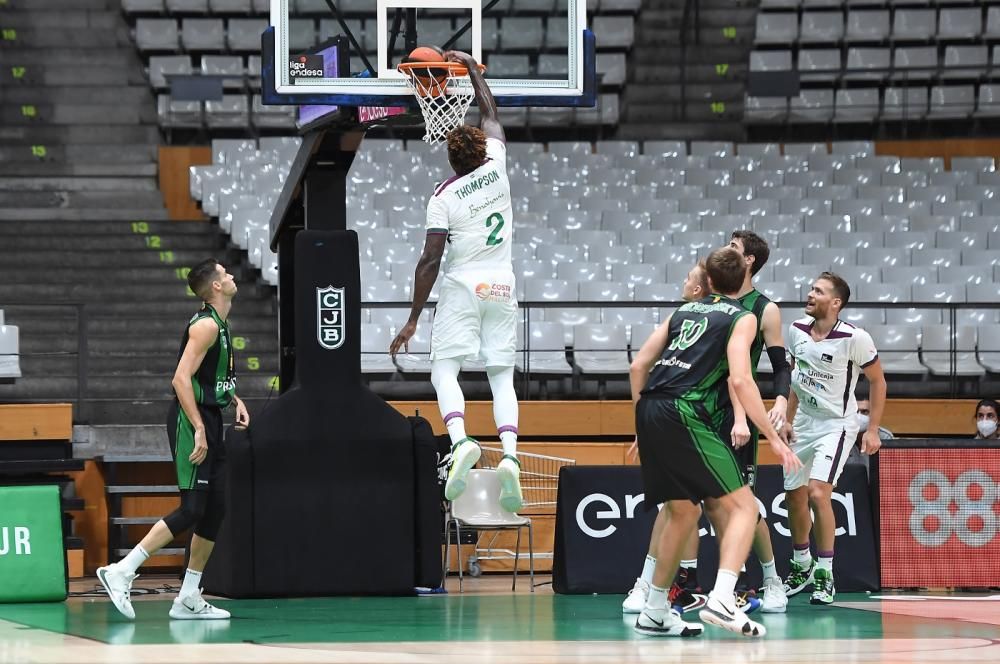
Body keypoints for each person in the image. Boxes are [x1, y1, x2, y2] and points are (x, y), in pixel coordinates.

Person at [629, 247, 801, 638]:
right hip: (687, 410)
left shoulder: (681, 311)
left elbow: (639, 365)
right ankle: (723, 598)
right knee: (743, 506)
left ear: (706, 280)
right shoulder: (742, 318)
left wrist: (642, 424)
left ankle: (654, 610)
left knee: (682, 512)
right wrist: (774, 436)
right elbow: (740, 380)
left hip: (651, 408)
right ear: (743, 278)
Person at [389, 50, 523, 512]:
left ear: (452, 160)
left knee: (444, 370)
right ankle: (509, 456)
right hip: (503, 285)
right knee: (501, 374)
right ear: (482, 151)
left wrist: (411, 319)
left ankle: (462, 440)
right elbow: (490, 110)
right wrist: (467, 66)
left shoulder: (442, 196)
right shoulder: (498, 165)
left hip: (464, 284)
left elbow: (429, 261)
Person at [97, 259, 248, 621]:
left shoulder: (221, 323)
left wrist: (235, 400)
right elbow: (180, 380)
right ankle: (121, 571)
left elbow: (210, 379)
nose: (230, 276)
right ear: (214, 287)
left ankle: (188, 596)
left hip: (209, 416)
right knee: (193, 508)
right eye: (224, 274)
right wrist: (197, 427)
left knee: (217, 507)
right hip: (189, 420)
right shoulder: (208, 326)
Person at [781, 272, 887, 606]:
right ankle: (802, 566)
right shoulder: (796, 329)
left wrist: (872, 430)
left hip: (836, 425)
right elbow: (796, 380)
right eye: (811, 288)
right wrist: (785, 418)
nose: (810, 294)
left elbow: (879, 382)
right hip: (802, 422)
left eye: (818, 291)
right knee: (794, 497)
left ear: (835, 302)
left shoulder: (855, 338)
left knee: (817, 492)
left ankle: (825, 573)